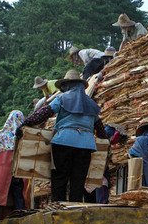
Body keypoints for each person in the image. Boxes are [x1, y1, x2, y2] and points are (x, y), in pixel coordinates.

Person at [21, 70, 107, 202]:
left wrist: (25, 122)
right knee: (78, 181)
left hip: (63, 142)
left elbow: (43, 114)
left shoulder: (61, 99)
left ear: (68, 85)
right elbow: (101, 131)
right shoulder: (92, 105)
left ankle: (59, 209)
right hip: (85, 146)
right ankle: (74, 210)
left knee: (59, 178)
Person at [0, 110, 28, 224]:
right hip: (18, 172)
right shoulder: (24, 135)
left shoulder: (1, 134)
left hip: (1, 174)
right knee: (19, 199)